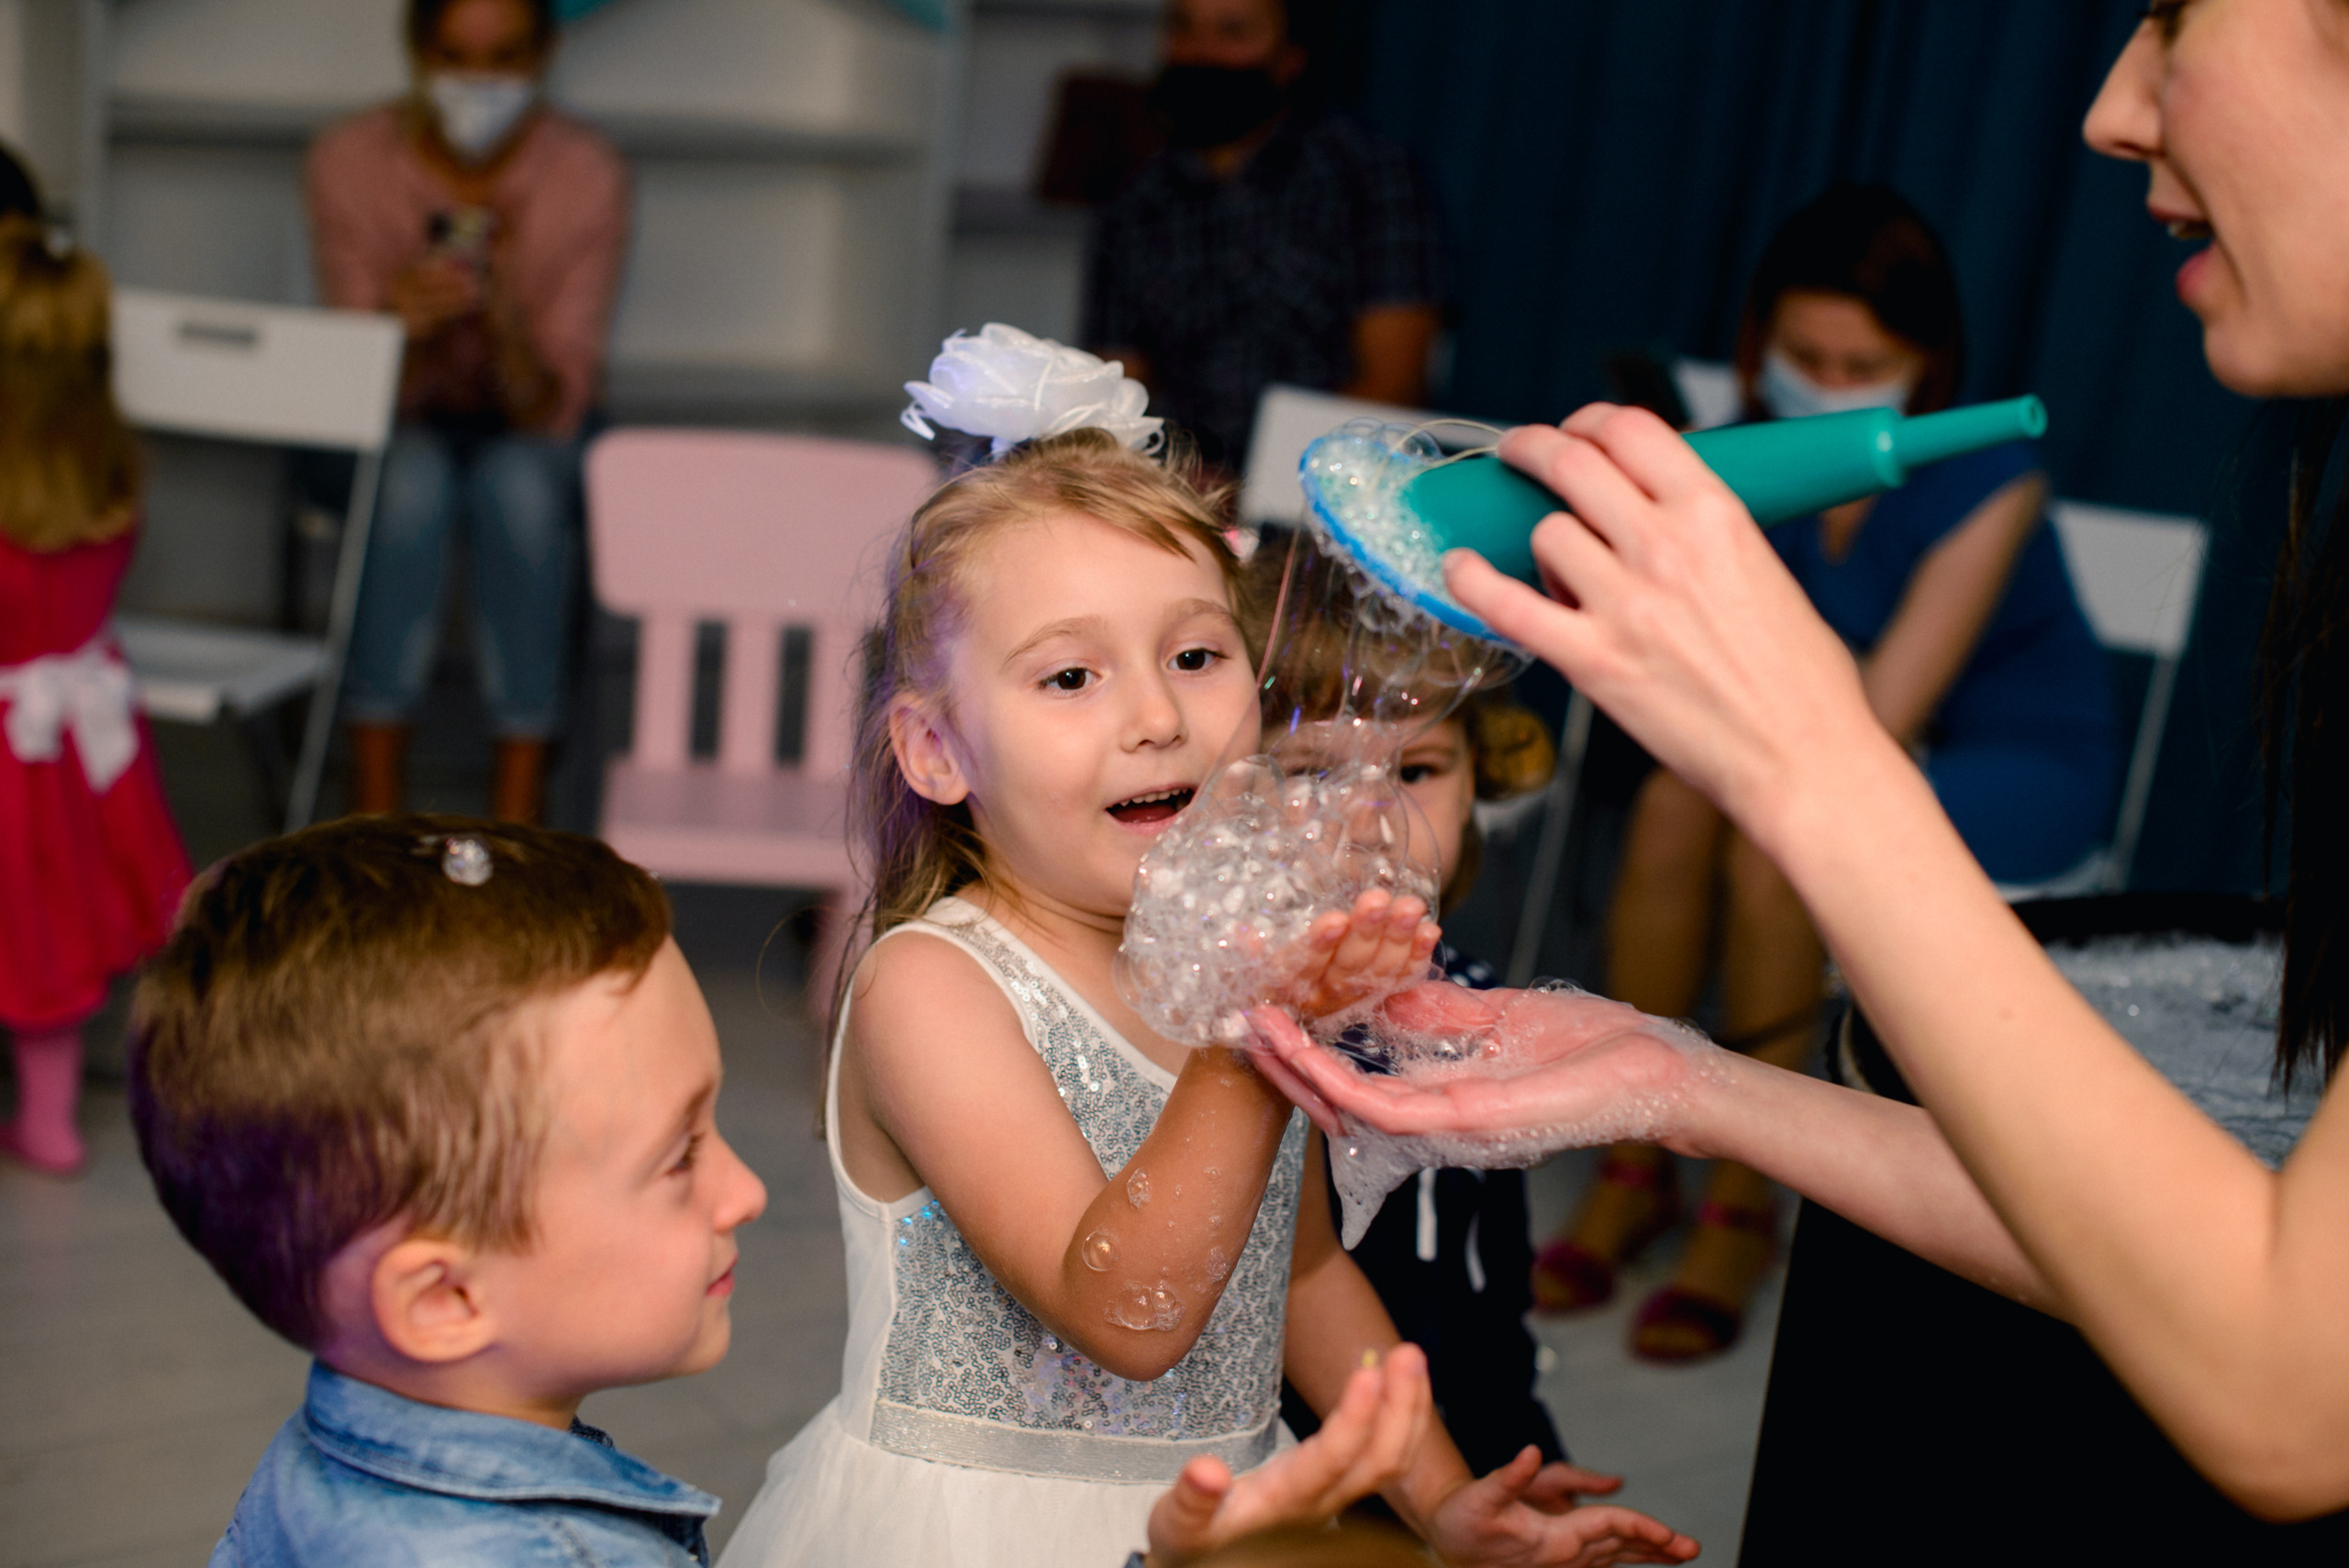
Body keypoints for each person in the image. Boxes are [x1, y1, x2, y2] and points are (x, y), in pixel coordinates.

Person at [1250, 0, 2349, 1528]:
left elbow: (2298, 1395)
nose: (2110, 107)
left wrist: (1806, 756)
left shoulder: (1975, 491)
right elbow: (2276, 1266)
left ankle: (1725, 1221)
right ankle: (1674, 1170)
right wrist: (1678, 1079)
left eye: (2173, 16)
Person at [715, 366, 1696, 1568]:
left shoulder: (1230, 949)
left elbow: (1304, 1274)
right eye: (1071, 676)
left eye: (1195, 655)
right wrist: (1257, 1033)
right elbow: (1124, 1315)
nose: (1156, 717)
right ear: (934, 747)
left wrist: (1440, 1497)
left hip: (1239, 1514)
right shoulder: (932, 987)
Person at [1531, 184, 2117, 1362]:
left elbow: (1873, 717)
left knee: (1778, 829)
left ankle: (1743, 1194)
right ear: (1760, 344)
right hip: (1820, 731)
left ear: (1925, 362)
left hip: (2011, 761)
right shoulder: (1747, 454)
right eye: (1805, 354)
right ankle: (1640, 1153)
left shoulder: (1988, 478)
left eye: (1865, 360)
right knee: (1666, 805)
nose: (1830, 379)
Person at [1253, 545, 1567, 1477]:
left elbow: (1485, 1290)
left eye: (1418, 768)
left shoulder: (1476, 1003)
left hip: (1452, 1458)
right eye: (1310, 774)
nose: (1371, 821)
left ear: (1480, 781)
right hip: (1284, 1480)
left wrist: (1518, 1454)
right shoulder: (1224, 1034)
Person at [306, 0, 629, 823]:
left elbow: (556, 404)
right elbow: (348, 398)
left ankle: (516, 807)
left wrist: (508, 328)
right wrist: (398, 331)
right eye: (456, 57)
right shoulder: (349, 161)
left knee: (519, 484)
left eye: (505, 58)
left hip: (529, 432)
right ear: (416, 54)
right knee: (408, 480)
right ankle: (375, 806)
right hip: (393, 427)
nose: (479, 83)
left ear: (546, 53)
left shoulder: (585, 175)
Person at [0, 217, 192, 1176]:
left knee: (14, 924)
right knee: (48, 928)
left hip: (13, 753)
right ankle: (51, 1118)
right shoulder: (112, 472)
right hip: (79, 748)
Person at [1084, 0, 1444, 472]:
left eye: (1233, 32)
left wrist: (1260, 483)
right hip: (1178, 490)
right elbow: (1119, 381)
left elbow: (1395, 384)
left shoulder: (1370, 180)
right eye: (1184, 28)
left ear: (1291, 58)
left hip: (1328, 489)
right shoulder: (1136, 203)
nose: (1202, 52)